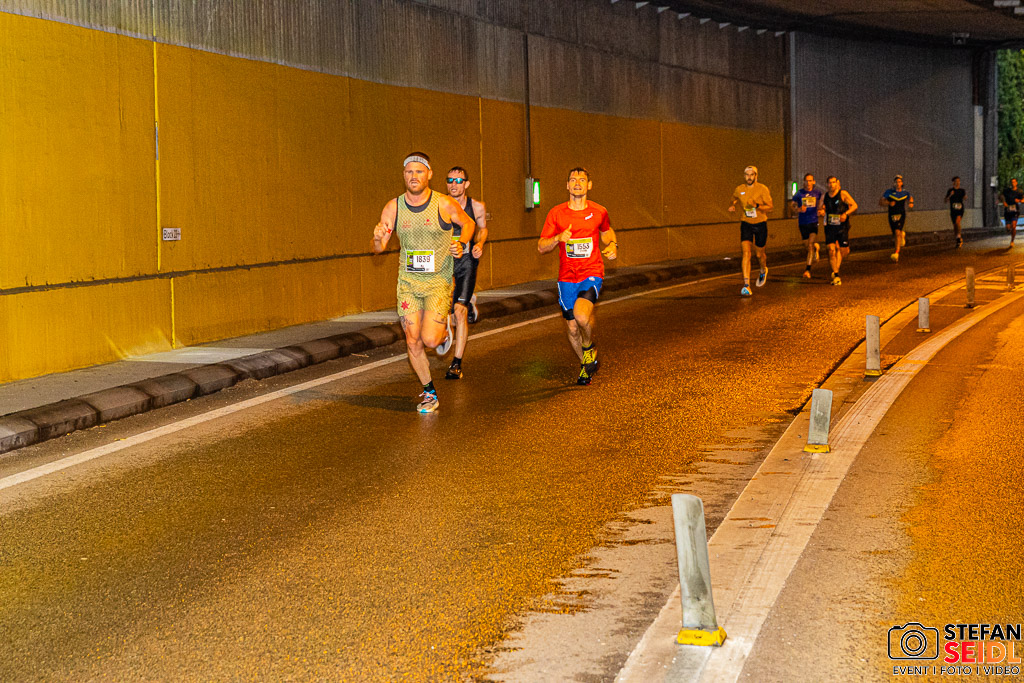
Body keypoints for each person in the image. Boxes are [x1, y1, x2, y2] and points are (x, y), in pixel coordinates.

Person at [372, 152, 475, 413]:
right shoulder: (394, 207)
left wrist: (461, 242)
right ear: (404, 175)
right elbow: (379, 247)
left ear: (429, 174)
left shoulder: (444, 203)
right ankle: (429, 393)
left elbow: (468, 223)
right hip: (408, 283)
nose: (413, 176)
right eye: (409, 172)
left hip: (438, 281)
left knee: (430, 340)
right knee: (412, 340)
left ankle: (443, 330)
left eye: (419, 171)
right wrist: (377, 238)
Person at [537, 167, 617, 386]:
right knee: (572, 328)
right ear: (567, 185)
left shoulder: (599, 211)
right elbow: (541, 246)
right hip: (566, 277)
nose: (577, 183)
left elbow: (606, 232)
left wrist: (612, 244)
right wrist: (557, 238)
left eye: (582, 180)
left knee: (581, 316)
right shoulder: (556, 213)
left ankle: (589, 348)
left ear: (589, 185)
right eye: (573, 180)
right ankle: (586, 364)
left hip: (591, 272)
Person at [443, 167, 488, 380]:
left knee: (459, 312)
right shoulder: (439, 206)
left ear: (466, 184)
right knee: (447, 312)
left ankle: (456, 363)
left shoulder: (476, 206)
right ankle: (468, 302)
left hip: (466, 261)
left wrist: (479, 243)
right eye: (450, 180)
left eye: (459, 181)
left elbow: (482, 228)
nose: (454, 184)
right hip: (444, 262)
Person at [728, 165, 773, 295]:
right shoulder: (739, 189)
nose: (749, 177)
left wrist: (757, 205)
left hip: (760, 224)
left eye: (751, 175)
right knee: (746, 253)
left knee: (759, 254)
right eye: (747, 175)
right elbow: (733, 199)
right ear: (744, 176)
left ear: (756, 176)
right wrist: (732, 205)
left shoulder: (762, 189)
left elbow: (770, 207)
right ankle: (746, 285)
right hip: (746, 223)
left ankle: (763, 270)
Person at [821, 176, 858, 286]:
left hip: (842, 227)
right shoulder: (824, 196)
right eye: (829, 183)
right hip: (830, 227)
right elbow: (820, 208)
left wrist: (846, 214)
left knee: (843, 251)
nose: (831, 185)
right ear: (827, 184)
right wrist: (821, 211)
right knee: (831, 250)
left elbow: (854, 205)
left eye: (833, 182)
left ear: (837, 183)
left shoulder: (843, 194)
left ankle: (836, 269)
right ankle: (836, 274)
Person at [791, 173, 823, 279]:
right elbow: (792, 205)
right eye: (806, 181)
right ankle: (816, 248)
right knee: (807, 246)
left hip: (813, 221)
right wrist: (798, 209)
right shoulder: (799, 193)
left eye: (810, 181)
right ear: (804, 182)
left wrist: (822, 210)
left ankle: (807, 270)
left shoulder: (817, 193)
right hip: (803, 222)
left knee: (809, 245)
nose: (808, 183)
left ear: (813, 182)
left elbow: (823, 204)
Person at [880, 175, 913, 262]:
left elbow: (910, 197)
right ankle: (902, 235)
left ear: (902, 183)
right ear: (894, 183)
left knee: (897, 232)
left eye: (899, 182)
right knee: (895, 233)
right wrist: (888, 203)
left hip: (901, 214)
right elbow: (881, 201)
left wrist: (911, 203)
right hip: (892, 215)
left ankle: (896, 253)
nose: (898, 183)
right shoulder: (889, 192)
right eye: (896, 182)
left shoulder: (905, 193)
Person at [945, 176, 966, 248]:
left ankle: (959, 238)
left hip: (960, 209)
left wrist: (965, 197)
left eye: (958, 181)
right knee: (955, 225)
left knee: (957, 222)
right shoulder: (950, 190)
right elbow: (946, 200)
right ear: (953, 182)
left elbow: (965, 197)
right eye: (956, 181)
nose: (957, 182)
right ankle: (958, 238)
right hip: (953, 209)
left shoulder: (962, 190)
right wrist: (950, 195)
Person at [1002, 178, 1023, 246]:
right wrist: (1004, 202)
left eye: (1014, 182)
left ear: (1016, 183)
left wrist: (1019, 200)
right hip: (1008, 211)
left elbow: (1023, 199)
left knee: (1014, 226)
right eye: (1012, 182)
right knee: (1008, 228)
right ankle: (1009, 229)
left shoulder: (1019, 191)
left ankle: (1012, 241)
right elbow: (1001, 196)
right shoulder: (1007, 191)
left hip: (1015, 211)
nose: (1013, 183)